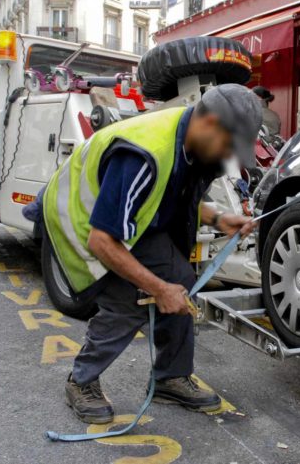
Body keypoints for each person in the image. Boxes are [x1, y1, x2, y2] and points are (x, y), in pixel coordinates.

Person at [42, 83, 263, 423]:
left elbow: (167, 195)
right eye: (228, 146)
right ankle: (81, 380)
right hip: (82, 221)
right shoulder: (143, 155)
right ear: (208, 124)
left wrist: (219, 217)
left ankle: (169, 378)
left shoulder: (192, 142)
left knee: (180, 280)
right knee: (128, 296)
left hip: (124, 221)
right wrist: (157, 289)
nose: (227, 157)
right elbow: (102, 241)